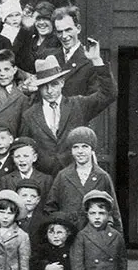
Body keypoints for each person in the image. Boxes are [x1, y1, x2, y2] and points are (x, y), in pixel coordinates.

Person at [20, 41, 117, 176]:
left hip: (75, 177)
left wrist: (96, 60)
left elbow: (108, 94)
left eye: (54, 84)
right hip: (44, 180)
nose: (49, 90)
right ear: (38, 87)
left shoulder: (78, 105)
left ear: (62, 82)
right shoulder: (30, 115)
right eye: (44, 86)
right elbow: (25, 149)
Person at [44, 126, 123, 233]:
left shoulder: (102, 176)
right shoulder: (63, 176)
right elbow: (51, 207)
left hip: (95, 234)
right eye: (75, 147)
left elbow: (114, 211)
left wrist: (116, 240)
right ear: (71, 150)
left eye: (85, 146)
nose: (80, 151)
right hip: (69, 234)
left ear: (92, 150)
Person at [52, 6, 99, 96]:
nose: (64, 36)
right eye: (60, 32)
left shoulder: (90, 60)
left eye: (68, 30)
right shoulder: (50, 57)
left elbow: (95, 100)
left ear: (78, 28)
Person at [0, 137, 53, 203]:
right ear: (13, 159)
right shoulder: (6, 180)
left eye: (26, 156)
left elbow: (48, 204)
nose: (21, 160)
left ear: (34, 158)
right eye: (17, 156)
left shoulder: (46, 180)